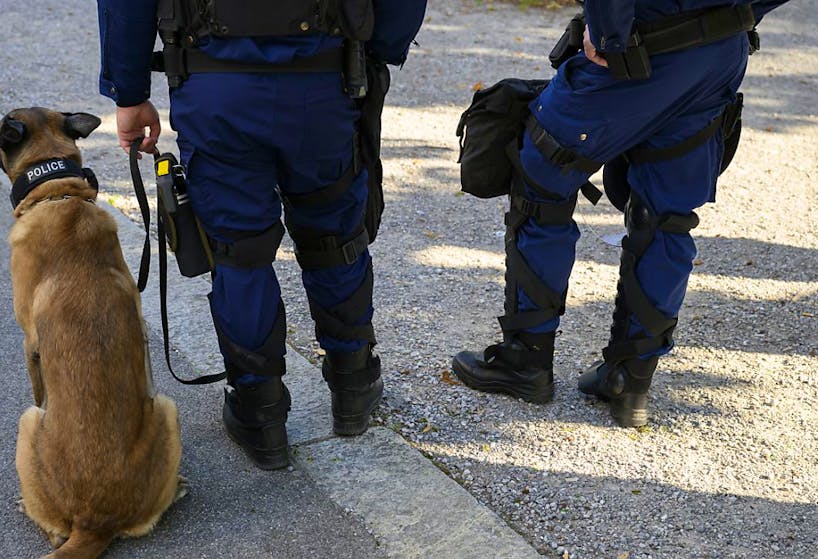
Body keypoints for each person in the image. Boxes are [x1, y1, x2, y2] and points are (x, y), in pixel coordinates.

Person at [97, 0, 426, 469]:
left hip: (216, 85)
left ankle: (260, 412)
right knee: (334, 236)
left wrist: (128, 92)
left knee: (239, 252)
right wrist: (378, 48)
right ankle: (353, 381)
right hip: (324, 79)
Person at [452, 0, 789, 427]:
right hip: (719, 51)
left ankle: (525, 361)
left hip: (641, 44)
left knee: (539, 174)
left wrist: (608, 30)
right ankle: (630, 379)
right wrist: (742, 13)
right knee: (665, 215)